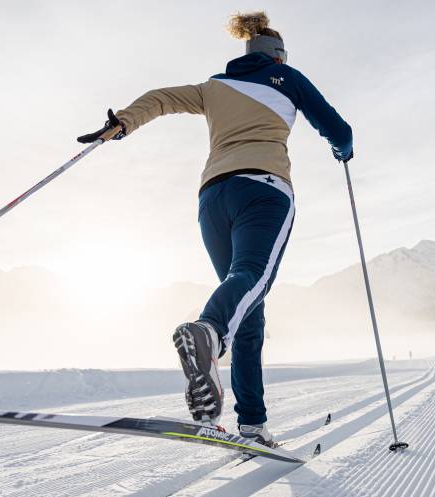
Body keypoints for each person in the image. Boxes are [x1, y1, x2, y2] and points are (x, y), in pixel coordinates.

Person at [79, 11, 352, 446]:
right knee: (253, 277)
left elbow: (162, 97)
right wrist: (344, 149)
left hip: (212, 199)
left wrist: (124, 122)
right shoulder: (288, 77)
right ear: (278, 56)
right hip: (264, 190)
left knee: (247, 306)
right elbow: (338, 128)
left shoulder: (214, 86)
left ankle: (252, 425)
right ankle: (208, 333)